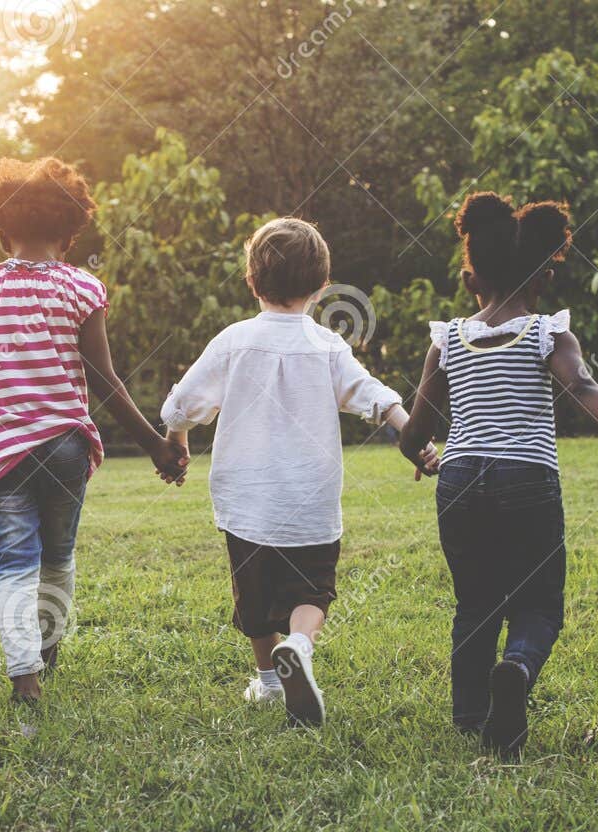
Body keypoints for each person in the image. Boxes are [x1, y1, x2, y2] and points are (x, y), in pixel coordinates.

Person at [0, 157, 185, 705]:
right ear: (71, 226)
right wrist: (154, 444)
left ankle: (25, 678)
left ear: (0, 226)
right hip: (64, 446)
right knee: (58, 555)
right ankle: (49, 650)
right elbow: (105, 380)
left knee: (14, 563)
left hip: (2, 449)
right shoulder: (83, 288)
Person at [398, 192, 598, 758]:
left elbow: (413, 433)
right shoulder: (546, 334)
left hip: (459, 479)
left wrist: (422, 454)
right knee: (538, 604)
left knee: (474, 600)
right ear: (542, 280)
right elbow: (581, 385)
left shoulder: (447, 342)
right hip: (526, 479)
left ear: (471, 281)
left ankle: (469, 714)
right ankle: (516, 667)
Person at [162, 217, 439, 727]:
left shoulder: (233, 341)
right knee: (313, 590)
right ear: (321, 287)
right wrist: (411, 435)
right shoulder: (329, 346)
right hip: (310, 501)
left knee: (254, 597)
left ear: (252, 280)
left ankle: (269, 680)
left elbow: (181, 405)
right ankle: (300, 645)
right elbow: (373, 395)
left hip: (247, 502)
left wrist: (178, 445)